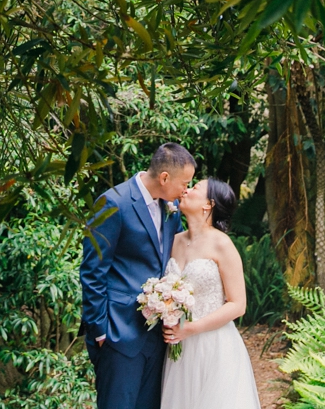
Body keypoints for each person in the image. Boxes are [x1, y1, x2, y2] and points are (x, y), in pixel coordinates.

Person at [81, 143, 197, 409]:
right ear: (165, 177)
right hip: (118, 332)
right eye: (184, 183)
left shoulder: (171, 208)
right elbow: (92, 270)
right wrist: (100, 331)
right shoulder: (113, 202)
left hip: (157, 337)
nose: (186, 190)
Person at [159, 177, 261, 409]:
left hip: (214, 346)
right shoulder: (173, 241)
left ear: (208, 205)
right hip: (179, 349)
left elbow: (238, 304)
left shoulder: (222, 244)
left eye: (195, 188)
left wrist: (191, 328)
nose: (186, 189)